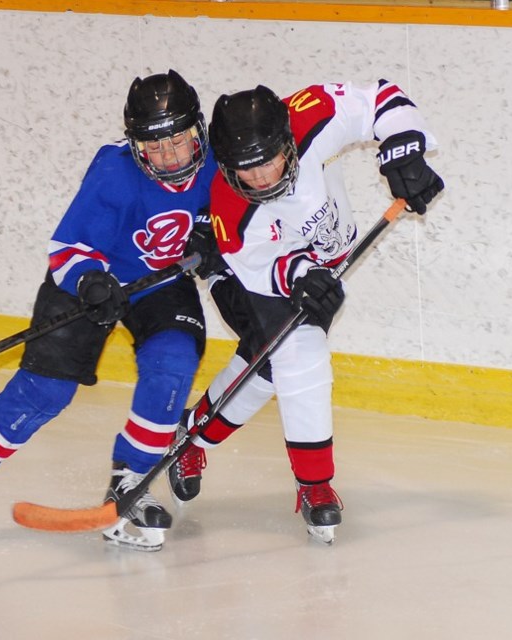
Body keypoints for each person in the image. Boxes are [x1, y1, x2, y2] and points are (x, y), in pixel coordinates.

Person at [0, 69, 219, 552]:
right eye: (153, 147)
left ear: (197, 130)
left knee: (174, 363)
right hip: (92, 282)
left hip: (160, 283)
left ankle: (130, 480)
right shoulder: (115, 171)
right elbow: (67, 249)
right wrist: (91, 282)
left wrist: (220, 239)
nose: (167, 157)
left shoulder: (219, 163)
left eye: (177, 142)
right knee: (44, 393)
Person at [168, 80, 444, 544]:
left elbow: (380, 99)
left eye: (268, 164)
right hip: (242, 273)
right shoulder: (232, 209)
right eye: (244, 170)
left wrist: (403, 150)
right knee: (296, 353)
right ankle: (315, 484)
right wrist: (300, 275)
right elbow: (259, 270)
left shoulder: (307, 116)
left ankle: (190, 438)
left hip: (313, 266)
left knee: (268, 366)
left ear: (287, 143)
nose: (258, 179)